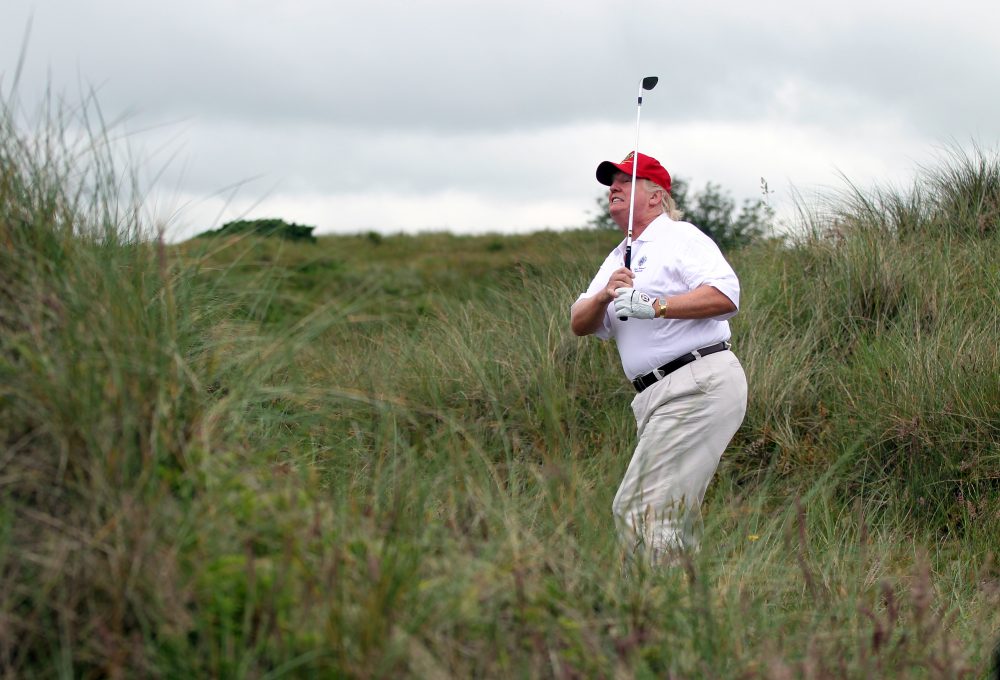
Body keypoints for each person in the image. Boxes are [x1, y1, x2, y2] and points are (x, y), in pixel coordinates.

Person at [570, 151, 748, 565]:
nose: (613, 188)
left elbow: (725, 296)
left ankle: (655, 617)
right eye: (611, 183)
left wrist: (656, 304)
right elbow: (579, 322)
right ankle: (689, 613)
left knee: (640, 511)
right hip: (658, 396)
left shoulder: (680, 237)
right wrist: (602, 296)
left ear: (655, 196)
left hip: (696, 382)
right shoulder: (618, 257)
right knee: (666, 516)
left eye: (625, 181)